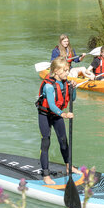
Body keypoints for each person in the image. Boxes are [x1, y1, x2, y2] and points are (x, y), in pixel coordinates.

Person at [36, 57, 76, 186]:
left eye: (68, 70)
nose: (67, 73)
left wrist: (73, 88)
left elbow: (72, 99)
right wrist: (63, 114)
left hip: (56, 115)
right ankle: (46, 175)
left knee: (63, 140)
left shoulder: (65, 82)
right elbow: (52, 105)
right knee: (46, 142)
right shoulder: (48, 86)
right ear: (56, 71)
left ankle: (69, 166)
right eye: (65, 71)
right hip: (45, 115)